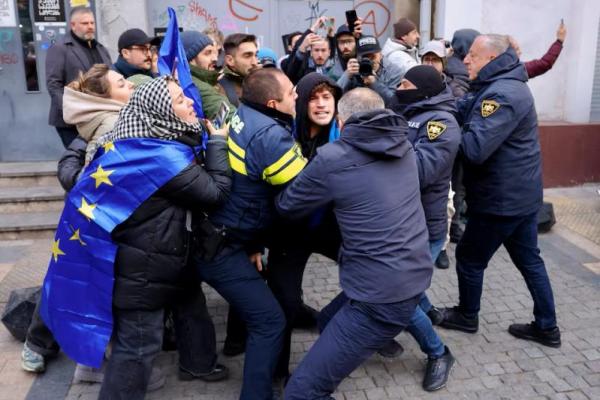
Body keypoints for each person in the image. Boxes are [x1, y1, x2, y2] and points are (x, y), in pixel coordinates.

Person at [276, 88, 433, 399]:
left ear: (341, 122)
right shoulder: (404, 145)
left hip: (378, 297)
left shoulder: (333, 158)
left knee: (299, 393)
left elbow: (288, 205)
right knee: (326, 321)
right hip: (412, 278)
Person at [85, 76, 232, 398]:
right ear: (159, 111)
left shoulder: (135, 139)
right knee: (138, 347)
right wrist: (219, 142)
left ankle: (198, 362)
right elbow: (215, 193)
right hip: (142, 268)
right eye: (180, 100)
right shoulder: (158, 157)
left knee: (186, 306)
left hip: (161, 254)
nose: (190, 102)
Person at [438, 34, 561, 349]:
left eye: (473, 56)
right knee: (530, 260)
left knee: (468, 257)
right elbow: (465, 107)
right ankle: (547, 327)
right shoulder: (502, 83)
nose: (465, 60)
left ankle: (467, 316)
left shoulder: (502, 94)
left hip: (500, 201)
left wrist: (443, 133)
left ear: (491, 59)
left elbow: (476, 148)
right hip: (520, 196)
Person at [193, 68, 303, 400]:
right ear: (273, 102)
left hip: (225, 239)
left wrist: (254, 244)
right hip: (220, 249)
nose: (297, 95)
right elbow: (307, 190)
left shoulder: (246, 114)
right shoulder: (270, 135)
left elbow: (249, 188)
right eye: (291, 92)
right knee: (270, 322)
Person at [22, 64, 136, 377]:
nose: (131, 87)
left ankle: (82, 356)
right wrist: (77, 178)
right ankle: (43, 346)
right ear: (105, 97)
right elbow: (80, 167)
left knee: (76, 280)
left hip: (95, 218)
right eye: (123, 83)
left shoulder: (113, 118)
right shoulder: (109, 124)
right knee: (68, 280)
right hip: (93, 220)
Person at [266, 72, 342, 385]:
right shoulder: (282, 135)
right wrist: (254, 244)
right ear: (301, 102)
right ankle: (277, 373)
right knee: (281, 302)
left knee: (375, 277)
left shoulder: (346, 135)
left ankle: (410, 338)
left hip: (331, 229)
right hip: (289, 233)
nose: (322, 104)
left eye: (328, 98)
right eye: (314, 97)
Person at [45, 6, 112, 148]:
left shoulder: (100, 48)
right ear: (73, 25)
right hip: (71, 121)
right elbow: (54, 85)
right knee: (79, 160)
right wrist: (72, 110)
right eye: (85, 23)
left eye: (92, 23)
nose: (90, 27)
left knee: (97, 159)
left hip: (99, 117)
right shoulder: (60, 48)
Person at [181, 31, 236, 121]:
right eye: (207, 53)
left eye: (214, 52)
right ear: (191, 59)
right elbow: (230, 117)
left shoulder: (204, 79)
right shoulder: (199, 86)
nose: (215, 59)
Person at [338, 36, 402, 106]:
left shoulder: (394, 71)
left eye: (373, 57)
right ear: (357, 57)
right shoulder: (355, 69)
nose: (369, 61)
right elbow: (335, 97)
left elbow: (393, 102)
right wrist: (347, 75)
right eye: (365, 57)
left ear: (380, 55)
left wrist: (374, 83)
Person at [285, 16, 337, 84]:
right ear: (311, 52)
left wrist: (331, 32)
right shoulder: (303, 69)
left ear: (329, 52)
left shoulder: (333, 68)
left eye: (323, 50)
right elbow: (292, 70)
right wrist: (314, 28)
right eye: (316, 50)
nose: (320, 54)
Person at [219, 33, 259, 106]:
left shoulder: (263, 82)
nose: (255, 62)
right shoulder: (220, 89)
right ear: (230, 60)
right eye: (247, 56)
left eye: (256, 55)